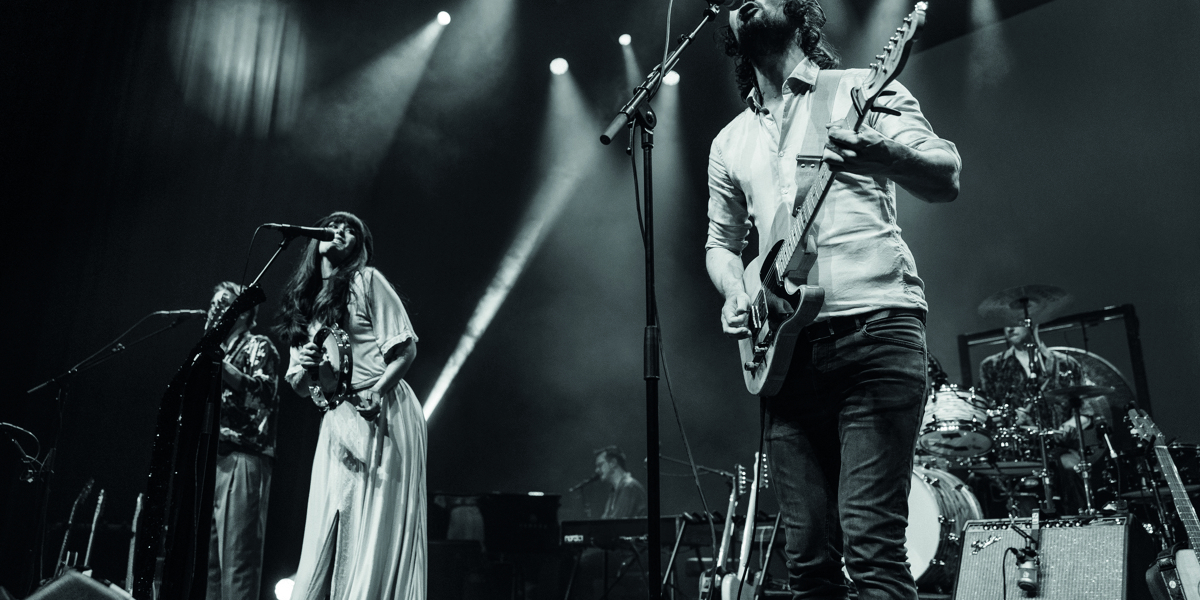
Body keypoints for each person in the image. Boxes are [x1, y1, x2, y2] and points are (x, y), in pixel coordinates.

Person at [705, 1, 961, 598]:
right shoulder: (730, 140)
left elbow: (945, 174)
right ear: (730, 33)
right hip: (784, 361)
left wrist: (883, 154)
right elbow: (721, 244)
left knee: (873, 556)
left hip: (875, 336)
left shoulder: (857, 89)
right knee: (808, 567)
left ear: (802, 14)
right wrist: (736, 288)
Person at [276, 211, 426, 600]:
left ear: (359, 246)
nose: (339, 230)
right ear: (316, 238)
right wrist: (310, 369)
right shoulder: (304, 302)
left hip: (385, 411)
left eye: (351, 229)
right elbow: (297, 384)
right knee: (330, 518)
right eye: (333, 224)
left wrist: (379, 389)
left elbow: (405, 348)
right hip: (337, 418)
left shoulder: (367, 281)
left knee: (375, 523)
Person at [205, 281, 281, 600]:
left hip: (243, 459)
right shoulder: (213, 352)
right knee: (210, 566)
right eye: (213, 304)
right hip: (213, 458)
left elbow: (263, 397)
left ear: (243, 312)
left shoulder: (259, 347)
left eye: (223, 303)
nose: (214, 309)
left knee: (237, 564)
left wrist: (221, 367)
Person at [978, 324, 1101, 514]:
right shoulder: (992, 366)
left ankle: (1079, 526)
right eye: (1005, 323)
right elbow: (986, 411)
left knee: (1072, 468)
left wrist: (1070, 425)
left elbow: (1086, 413)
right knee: (977, 479)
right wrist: (1001, 419)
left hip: (1059, 448)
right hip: (1014, 450)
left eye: (1016, 322)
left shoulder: (1065, 363)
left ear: (1031, 323)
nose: (1009, 328)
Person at [593, 446, 647, 519]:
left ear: (613, 463)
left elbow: (617, 523)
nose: (597, 470)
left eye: (600, 465)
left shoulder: (629, 486)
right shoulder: (614, 491)